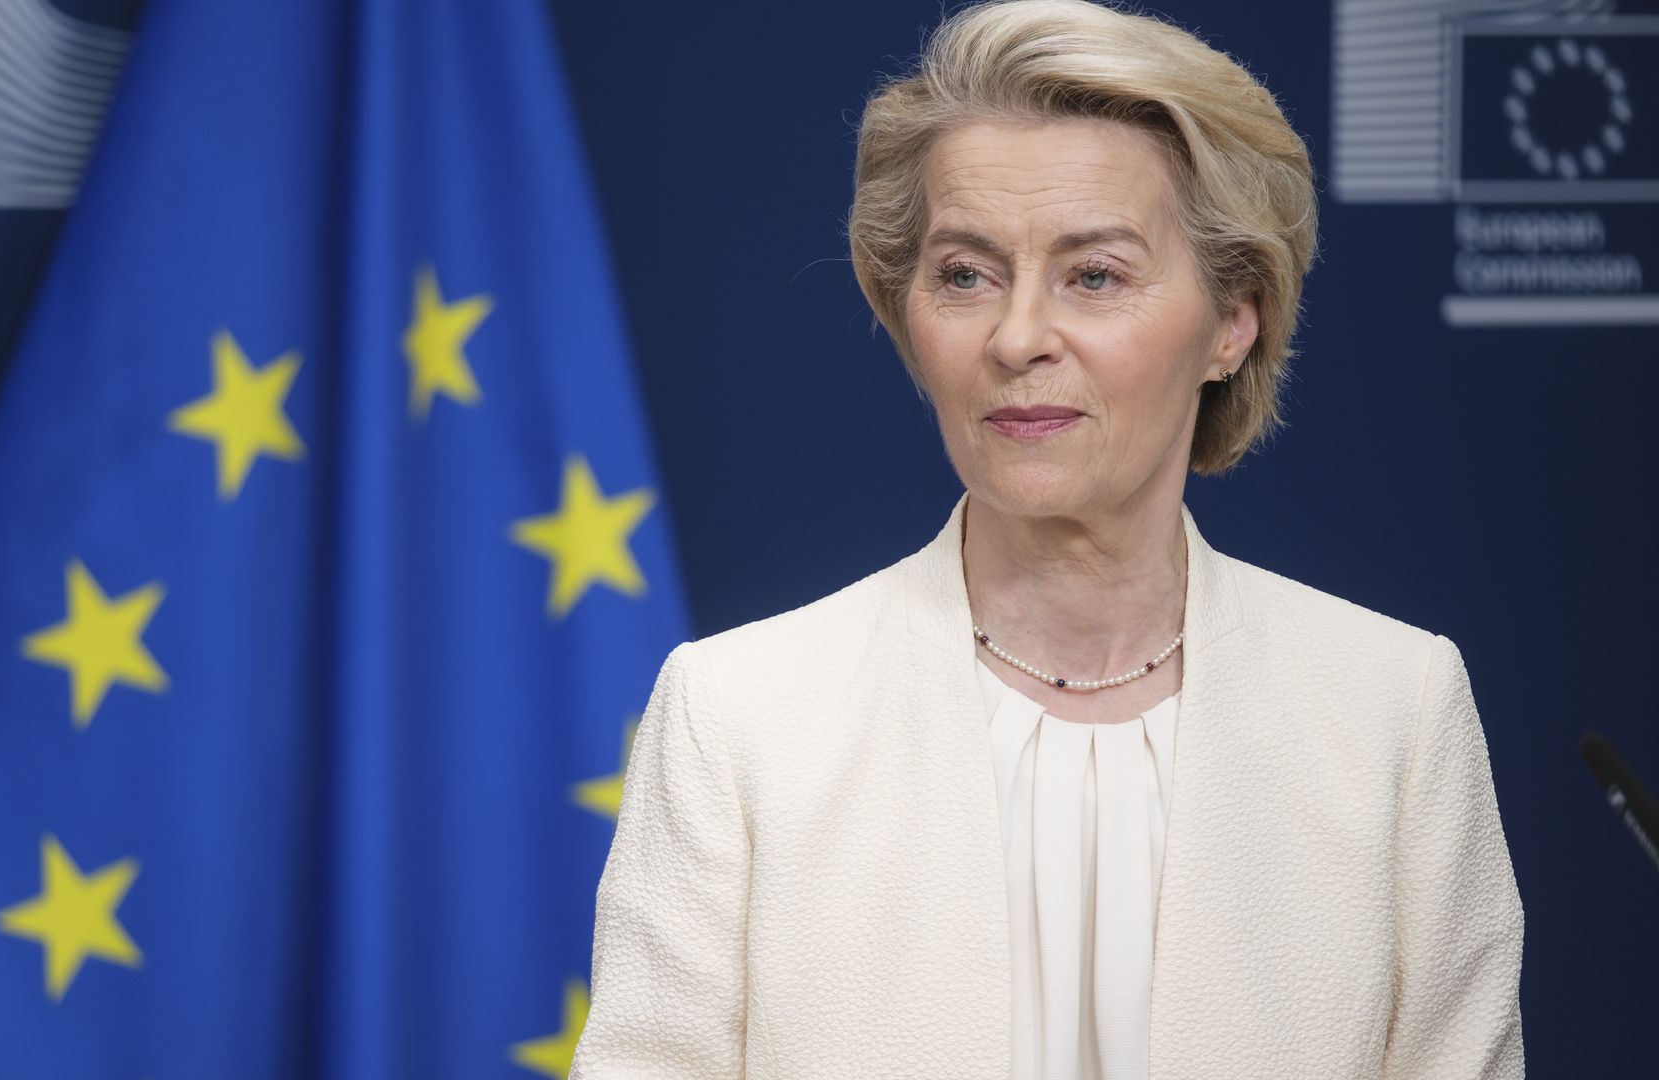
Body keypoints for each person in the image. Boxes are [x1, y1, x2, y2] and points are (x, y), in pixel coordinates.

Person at [568, 1, 1525, 1077]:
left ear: (1232, 320)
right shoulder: (737, 717)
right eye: (966, 274)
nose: (1018, 337)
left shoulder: (1395, 709)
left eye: (1096, 275)